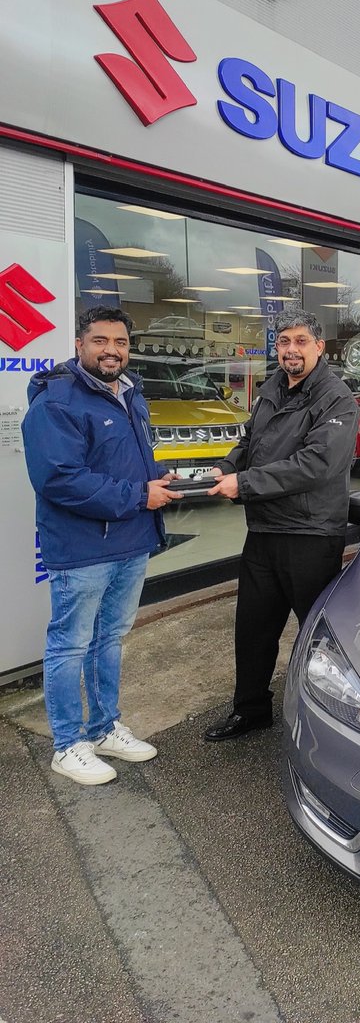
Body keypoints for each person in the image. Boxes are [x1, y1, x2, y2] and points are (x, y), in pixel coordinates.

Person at [22, 307, 182, 785]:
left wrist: (156, 481)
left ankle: (104, 727)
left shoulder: (130, 394)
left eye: (121, 342)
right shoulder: (57, 401)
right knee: (70, 644)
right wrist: (139, 495)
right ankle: (68, 745)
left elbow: (121, 463)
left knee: (108, 640)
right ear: (79, 344)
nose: (112, 350)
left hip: (130, 542)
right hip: (82, 549)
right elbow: (59, 479)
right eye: (100, 341)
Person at [204, 310, 360, 741]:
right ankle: (251, 710)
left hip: (310, 535)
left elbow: (316, 465)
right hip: (265, 530)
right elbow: (249, 440)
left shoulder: (336, 398)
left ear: (319, 346)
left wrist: (245, 482)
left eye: (300, 341)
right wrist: (225, 467)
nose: (291, 349)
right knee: (252, 629)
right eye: (284, 342)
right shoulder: (272, 387)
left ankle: (333, 721)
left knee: (321, 638)